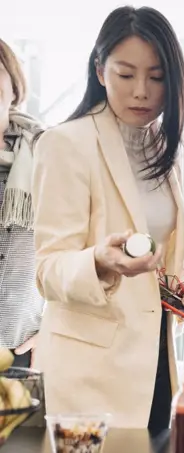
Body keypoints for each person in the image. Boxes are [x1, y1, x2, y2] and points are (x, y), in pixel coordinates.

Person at [32, 6, 184, 434]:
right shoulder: (65, 144)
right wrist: (98, 262)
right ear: (100, 71)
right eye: (126, 74)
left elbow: (156, 254)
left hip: (155, 364)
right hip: (86, 374)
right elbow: (47, 269)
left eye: (157, 77)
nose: (142, 91)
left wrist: (179, 279)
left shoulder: (163, 150)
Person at [0, 39, 44, 369]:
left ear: (13, 85)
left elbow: (73, 251)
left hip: (21, 350)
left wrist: (54, 329)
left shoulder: (46, 155)